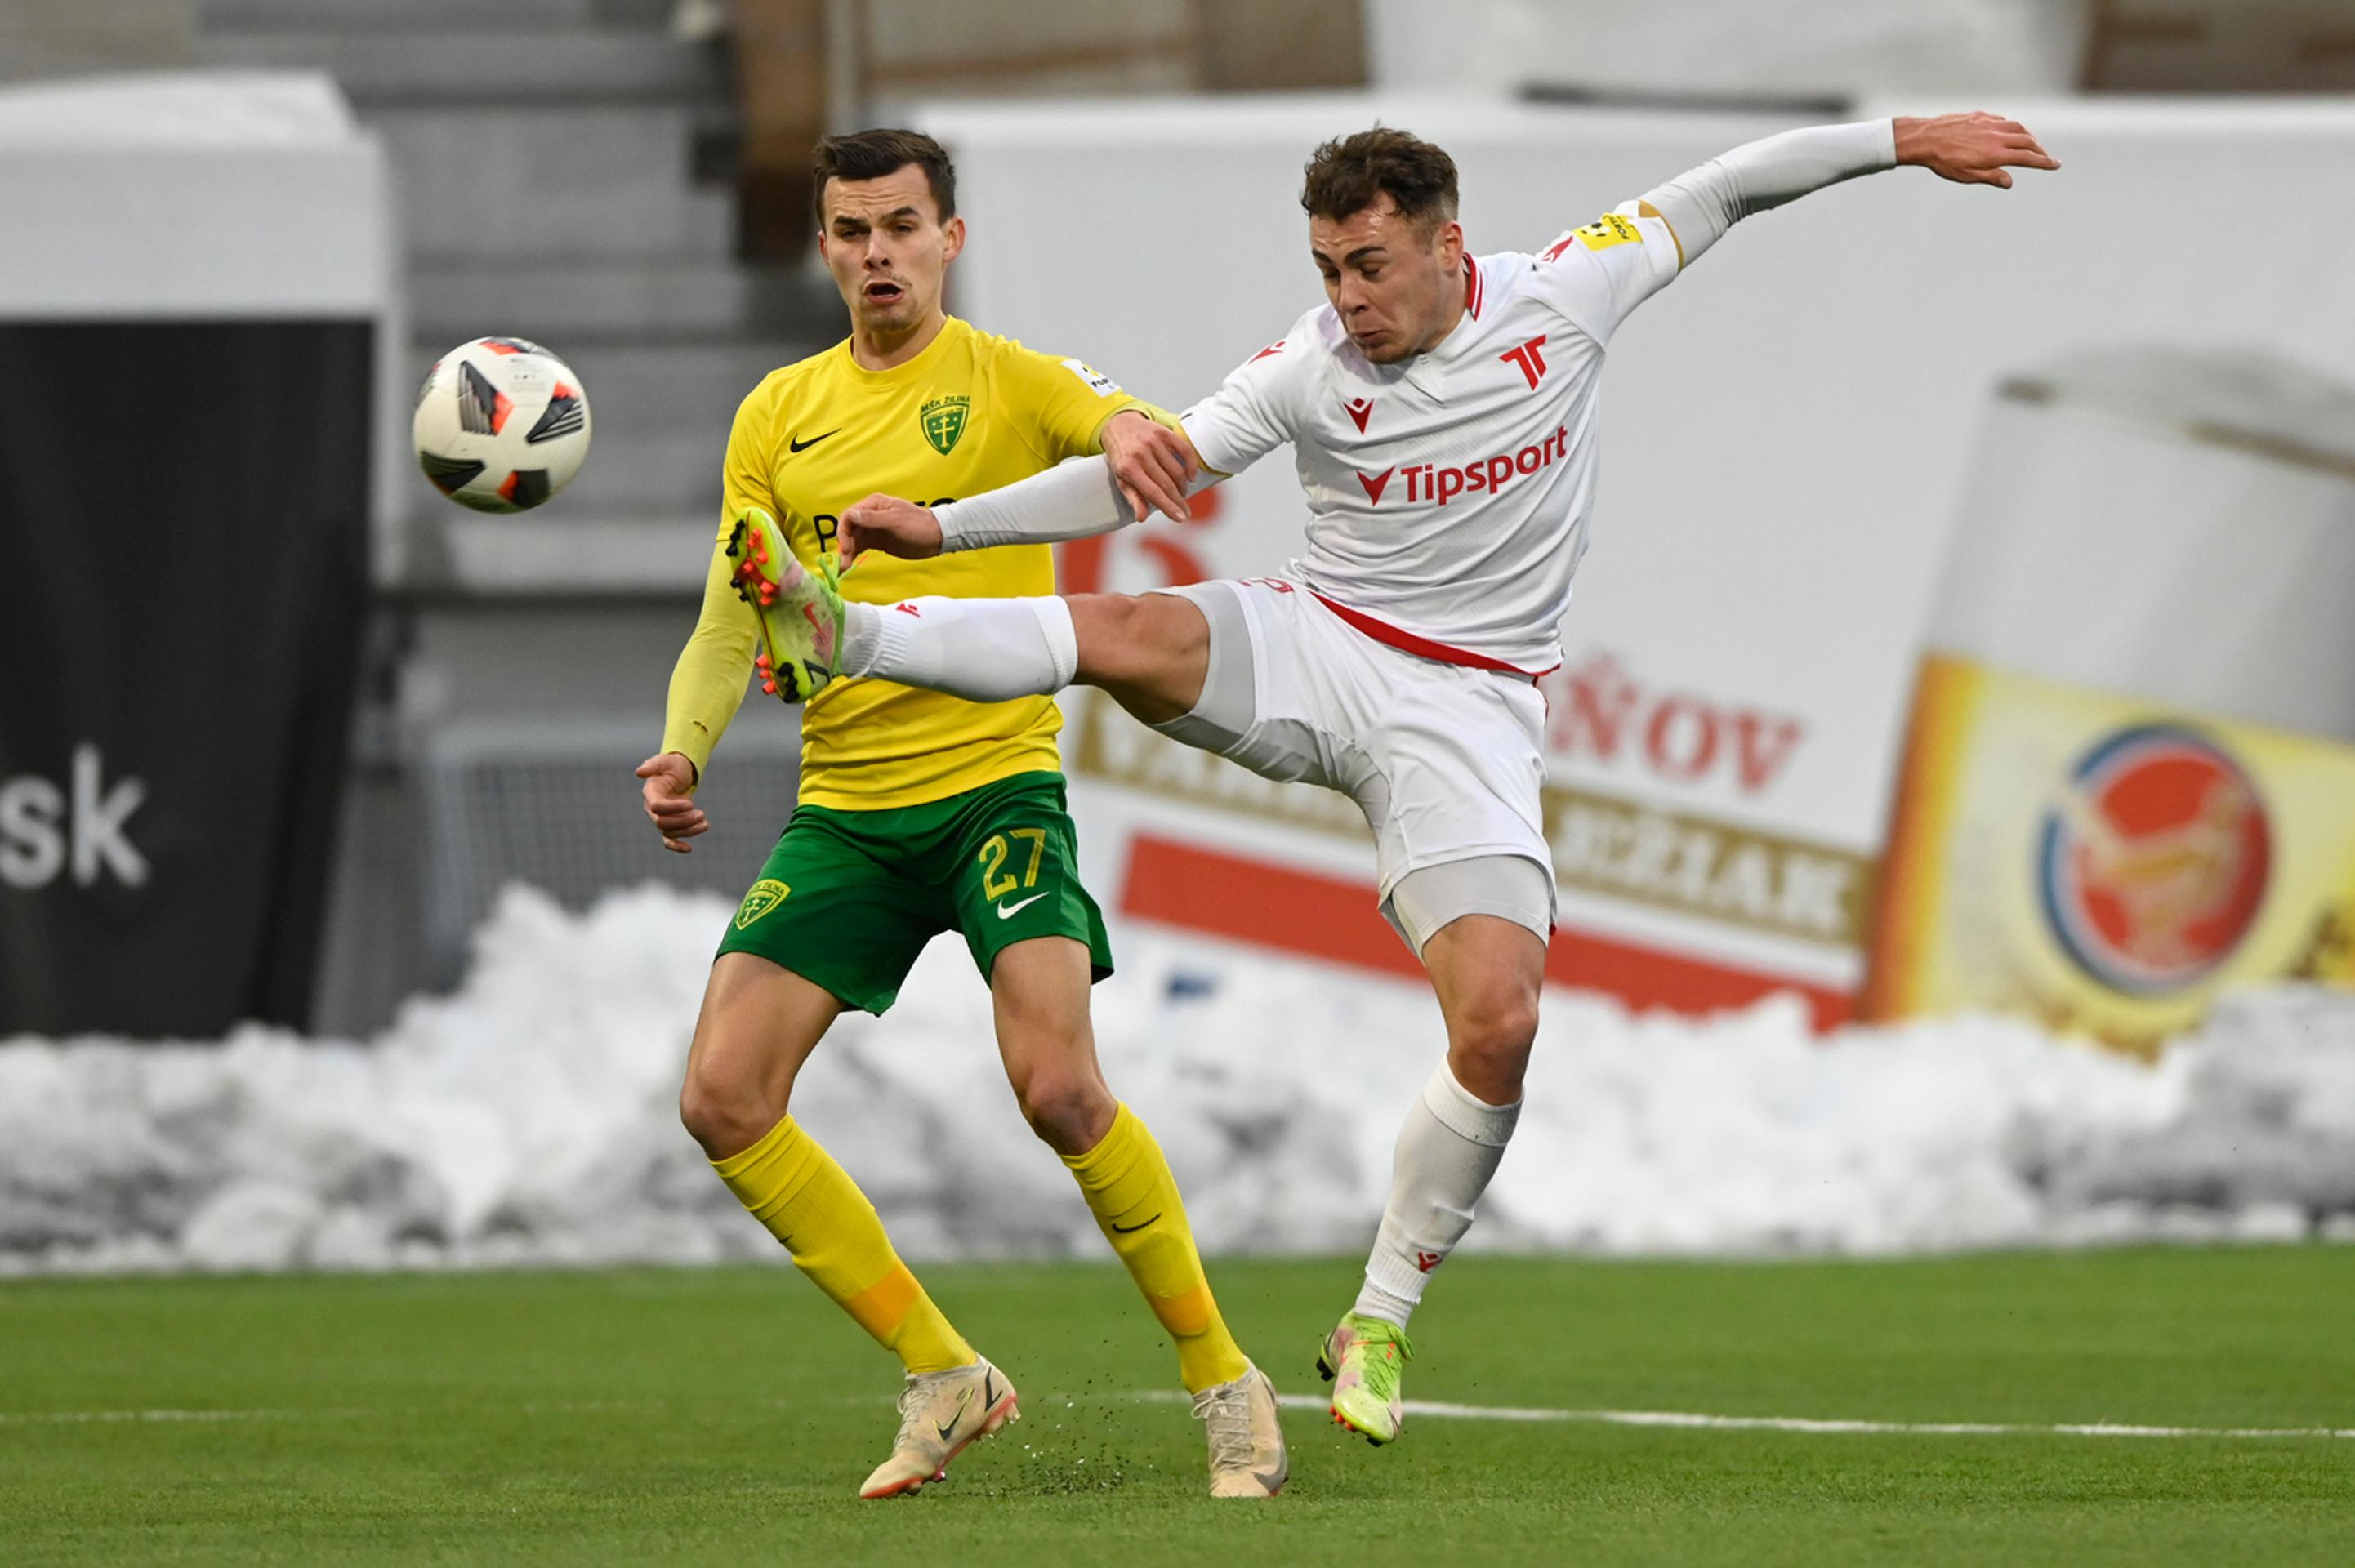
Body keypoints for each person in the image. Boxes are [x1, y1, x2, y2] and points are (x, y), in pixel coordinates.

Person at [741, 110, 2058, 1446]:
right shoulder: (1306, 369)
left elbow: (1724, 190)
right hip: (1321, 644)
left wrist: (1904, 139)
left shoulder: (1566, 295)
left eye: (1370, 266)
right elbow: (1140, 482)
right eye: (1327, 268)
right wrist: (945, 529)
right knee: (1128, 633)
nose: (1348, 299)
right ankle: (850, 633)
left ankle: (1375, 1316)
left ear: (1447, 246)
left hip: (1468, 711)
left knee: (1498, 1022)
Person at [638, 127, 1286, 1499]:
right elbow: (732, 607)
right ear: (824, 248)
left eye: (902, 225)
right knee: (722, 1096)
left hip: (997, 784)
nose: (878, 252)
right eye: (852, 231)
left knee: (1059, 1088)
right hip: (849, 810)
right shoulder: (777, 415)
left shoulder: (1003, 376)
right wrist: (683, 748)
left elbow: (1125, 431)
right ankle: (948, 1373)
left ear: (951, 238)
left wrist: (1119, 424)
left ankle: (1227, 1385)